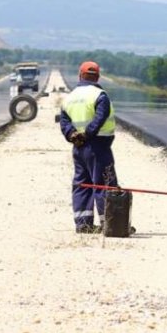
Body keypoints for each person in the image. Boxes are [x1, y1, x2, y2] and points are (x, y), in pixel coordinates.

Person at [60, 61, 120, 234]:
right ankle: (109, 224)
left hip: (79, 148)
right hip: (99, 146)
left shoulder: (69, 98)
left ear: (80, 75)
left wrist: (72, 135)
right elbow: (99, 118)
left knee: (82, 184)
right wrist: (87, 134)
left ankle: (83, 224)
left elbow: (64, 122)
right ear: (98, 77)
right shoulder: (100, 95)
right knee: (104, 184)